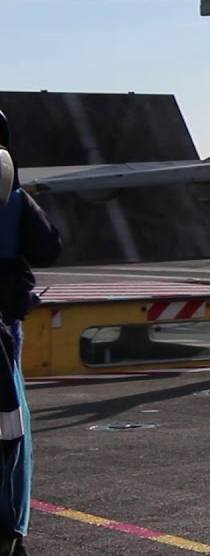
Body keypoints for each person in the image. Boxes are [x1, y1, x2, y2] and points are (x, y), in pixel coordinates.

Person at [1, 114, 63, 556]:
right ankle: (11, 532)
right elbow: (48, 247)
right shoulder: (14, 196)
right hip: (2, 327)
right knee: (12, 428)